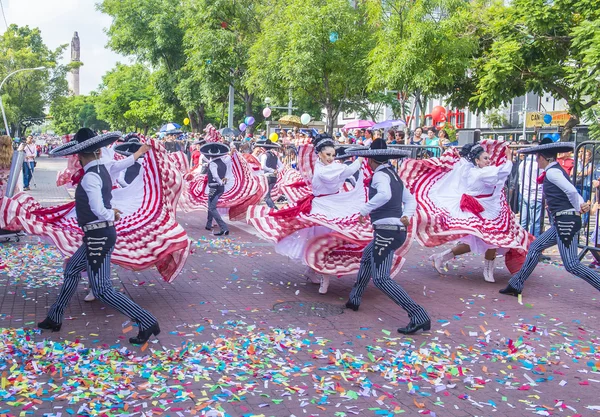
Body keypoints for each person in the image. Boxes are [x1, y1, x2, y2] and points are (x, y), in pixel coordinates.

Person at [38, 128, 160, 345]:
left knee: (102, 289)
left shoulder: (90, 177)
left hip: (98, 235)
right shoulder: (103, 168)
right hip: (98, 234)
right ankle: (54, 317)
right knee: (73, 269)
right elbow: (122, 164)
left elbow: (98, 209)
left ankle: (146, 320)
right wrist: (139, 152)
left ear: (79, 155)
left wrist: (110, 212)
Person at [247, 134, 366, 294]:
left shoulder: (329, 167)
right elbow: (348, 171)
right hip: (322, 209)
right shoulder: (324, 170)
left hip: (333, 206)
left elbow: (345, 172)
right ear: (320, 154)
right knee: (323, 244)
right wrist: (362, 158)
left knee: (329, 242)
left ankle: (312, 272)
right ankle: (324, 277)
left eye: (333, 155)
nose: (331, 158)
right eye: (328, 155)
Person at [344, 139, 430, 335]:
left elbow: (384, 194)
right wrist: (406, 215)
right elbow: (411, 200)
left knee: (381, 279)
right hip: (394, 230)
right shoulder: (394, 175)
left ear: (372, 160)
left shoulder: (380, 176)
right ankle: (355, 298)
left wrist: (364, 211)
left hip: (386, 231)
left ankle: (418, 315)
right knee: (367, 257)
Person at [500, 138, 600, 296]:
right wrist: (579, 205)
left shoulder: (553, 172)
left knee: (572, 264)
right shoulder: (555, 170)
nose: (536, 161)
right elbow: (572, 190)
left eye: (537, 157)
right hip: (562, 222)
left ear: (542, 157)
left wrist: (578, 207)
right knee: (535, 247)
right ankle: (516, 283)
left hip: (566, 222)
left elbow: (572, 191)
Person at [202, 142, 233, 236]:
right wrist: (223, 182)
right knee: (210, 204)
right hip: (220, 188)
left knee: (212, 207)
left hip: (214, 187)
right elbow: (228, 173)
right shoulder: (223, 162)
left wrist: (220, 181)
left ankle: (224, 227)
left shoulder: (212, 164)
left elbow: (215, 176)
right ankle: (208, 224)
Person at [519, 151, 543, 237]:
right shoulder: (538, 164)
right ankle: (534, 243)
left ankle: (522, 241)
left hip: (524, 192)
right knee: (535, 223)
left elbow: (520, 179)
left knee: (523, 221)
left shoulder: (523, 163)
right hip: (536, 194)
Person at [257, 139, 284, 209]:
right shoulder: (275, 156)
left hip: (267, 177)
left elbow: (263, 166)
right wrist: (277, 171)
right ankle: (273, 209)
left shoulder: (264, 155)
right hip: (274, 177)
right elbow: (282, 166)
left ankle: (275, 209)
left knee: (266, 196)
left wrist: (272, 170)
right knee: (267, 195)